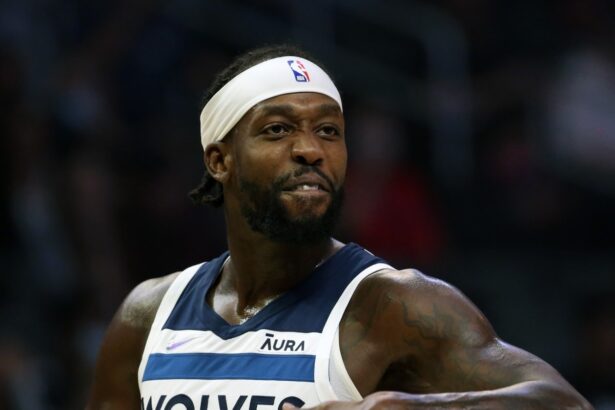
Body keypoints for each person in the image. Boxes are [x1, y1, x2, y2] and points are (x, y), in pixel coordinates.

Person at [86, 45, 592, 410]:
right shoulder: (147, 316)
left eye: (329, 130)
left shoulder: (394, 306)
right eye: (278, 130)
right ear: (220, 160)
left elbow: (564, 402)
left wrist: (417, 408)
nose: (311, 149)